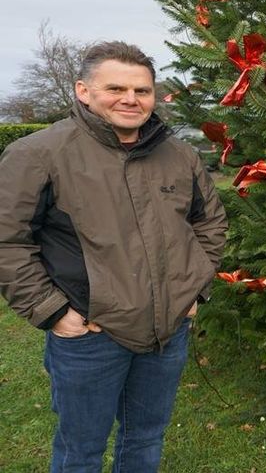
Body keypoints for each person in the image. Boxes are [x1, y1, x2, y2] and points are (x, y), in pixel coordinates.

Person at [0, 41, 227, 472]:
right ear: (83, 90)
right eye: (116, 88)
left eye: (142, 90)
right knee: (80, 451)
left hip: (168, 331)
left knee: (144, 439)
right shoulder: (38, 154)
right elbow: (7, 241)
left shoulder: (179, 155)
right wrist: (51, 310)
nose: (131, 99)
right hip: (90, 334)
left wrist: (193, 290)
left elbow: (210, 224)